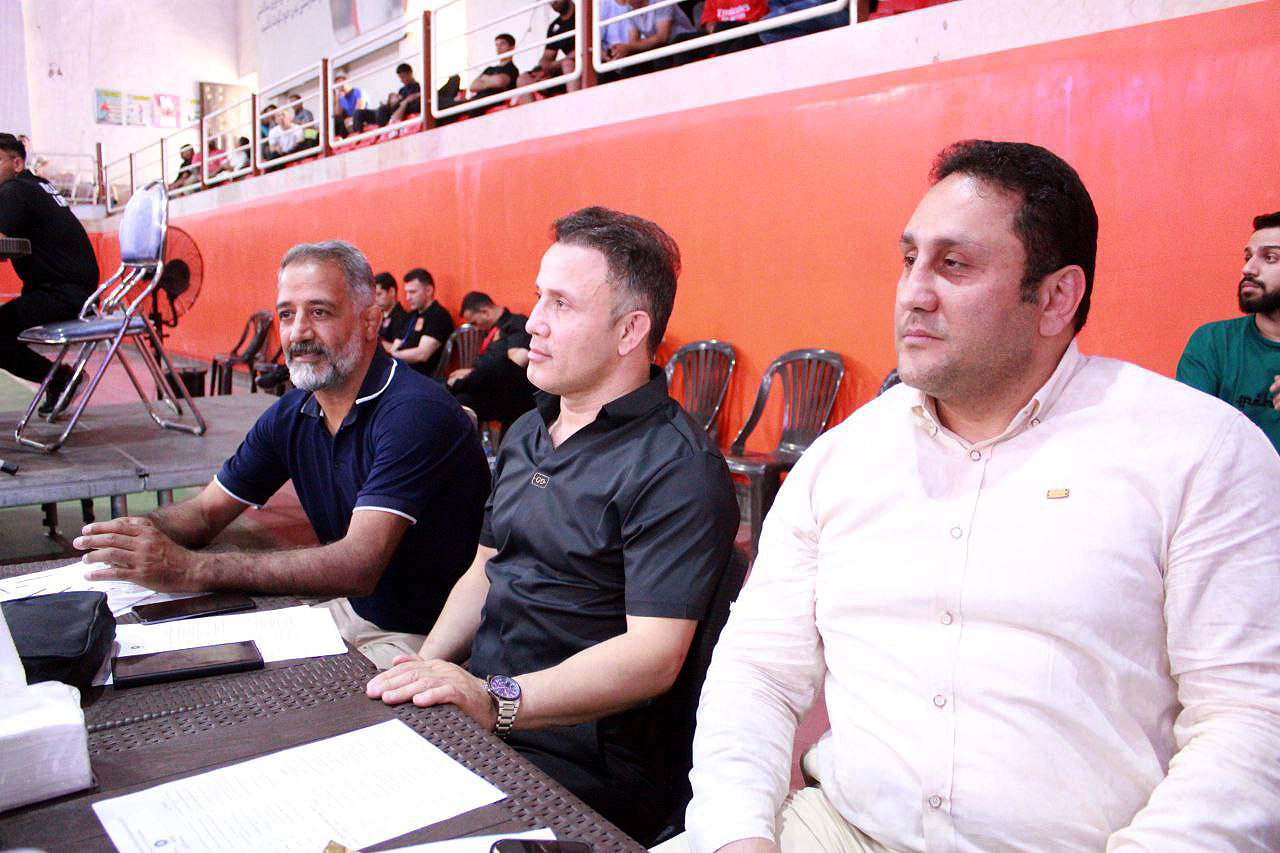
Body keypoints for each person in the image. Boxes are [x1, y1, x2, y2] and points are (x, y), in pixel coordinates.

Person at [686, 140, 1280, 851]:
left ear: (1056, 298)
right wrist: (737, 835)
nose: (913, 292)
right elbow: (756, 670)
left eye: (954, 264)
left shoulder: (1197, 453)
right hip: (839, 828)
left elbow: (1250, 717)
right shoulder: (844, 458)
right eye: (910, 259)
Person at [366, 207, 740, 843]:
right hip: (485, 713)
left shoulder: (677, 469)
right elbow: (485, 570)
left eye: (561, 304)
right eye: (539, 296)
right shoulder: (528, 431)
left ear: (630, 330)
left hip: (582, 763)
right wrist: (421, 672)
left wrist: (495, 701)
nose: (533, 321)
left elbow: (652, 658)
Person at [74, 241, 490, 668]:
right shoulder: (293, 413)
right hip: (353, 611)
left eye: (320, 312)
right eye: (287, 314)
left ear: (369, 321)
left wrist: (190, 569)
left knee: (260, 694)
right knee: (187, 663)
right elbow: (205, 513)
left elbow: (358, 564)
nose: (298, 333)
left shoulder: (414, 412)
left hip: (429, 636)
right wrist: (130, 535)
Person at [0, 133, 99, 414]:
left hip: (63, 294)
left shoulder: (14, 190)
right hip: (78, 292)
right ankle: (60, 379)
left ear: (17, 163)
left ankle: (61, 379)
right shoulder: (36, 186)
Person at [1176, 211, 1280, 454]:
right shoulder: (1212, 343)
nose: (1248, 269)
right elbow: (1190, 437)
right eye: (1248, 257)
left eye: (1270, 258)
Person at [447, 291, 536, 428]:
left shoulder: (516, 322)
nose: (476, 328)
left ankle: (453, 385)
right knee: (458, 401)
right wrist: (471, 372)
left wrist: (470, 376)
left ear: (485, 312)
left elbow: (517, 361)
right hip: (491, 387)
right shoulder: (490, 330)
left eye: (474, 322)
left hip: (513, 392)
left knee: (497, 364)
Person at [392, 267, 453, 377]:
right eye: (406, 292)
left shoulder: (438, 316)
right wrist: (394, 355)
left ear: (429, 290)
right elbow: (396, 345)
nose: (408, 298)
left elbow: (422, 354)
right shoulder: (411, 316)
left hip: (422, 377)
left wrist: (394, 356)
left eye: (412, 292)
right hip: (402, 372)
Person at [515, 1, 579, 104]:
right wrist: (542, 71)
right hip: (564, 69)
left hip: (583, 65)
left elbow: (586, 45)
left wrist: (556, 64)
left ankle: (576, 106)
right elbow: (547, 56)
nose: (552, 2)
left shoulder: (583, 15)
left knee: (567, 64)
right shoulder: (554, 26)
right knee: (523, 78)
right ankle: (531, 114)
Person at [605, 0, 698, 67]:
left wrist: (627, 47)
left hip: (686, 41)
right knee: (629, 63)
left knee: (662, 54)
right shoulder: (629, 10)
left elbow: (662, 37)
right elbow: (633, 43)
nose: (627, 1)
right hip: (663, 46)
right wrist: (620, 51)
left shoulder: (660, 1)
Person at [333, 73, 377, 138]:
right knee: (336, 121)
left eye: (341, 82)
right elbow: (337, 113)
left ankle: (359, 137)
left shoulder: (358, 91)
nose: (340, 85)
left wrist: (350, 118)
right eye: (338, 84)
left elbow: (360, 108)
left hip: (365, 117)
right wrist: (338, 96)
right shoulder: (341, 99)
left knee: (357, 114)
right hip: (352, 122)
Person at [374, 271, 409, 348]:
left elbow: (398, 348)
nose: (375, 299)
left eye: (379, 294)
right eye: (374, 295)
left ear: (392, 291)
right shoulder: (380, 316)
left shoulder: (402, 318)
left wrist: (374, 342)